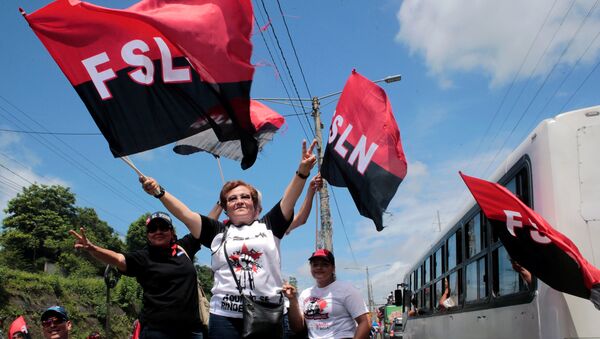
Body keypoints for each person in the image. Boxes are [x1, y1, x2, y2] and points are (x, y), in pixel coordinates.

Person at [140, 139, 318, 339]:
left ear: (254, 203)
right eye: (232, 199)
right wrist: (159, 192)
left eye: (245, 197)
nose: (239, 201)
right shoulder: (217, 231)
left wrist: (302, 171)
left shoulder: (270, 226)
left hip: (266, 314)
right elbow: (186, 214)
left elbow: (289, 198)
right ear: (225, 208)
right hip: (224, 317)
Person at [69, 211, 204, 339]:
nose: (158, 232)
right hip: (158, 331)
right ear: (148, 235)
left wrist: (220, 203)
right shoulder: (143, 257)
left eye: (163, 227)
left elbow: (203, 226)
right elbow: (118, 259)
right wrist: (93, 249)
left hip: (191, 331)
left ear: (171, 231)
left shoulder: (182, 248)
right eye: (152, 229)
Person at [283, 249, 371, 339]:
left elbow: (365, 322)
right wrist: (292, 299)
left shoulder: (347, 289)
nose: (319, 268)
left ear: (333, 268)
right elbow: (297, 328)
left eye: (324, 264)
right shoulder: (306, 293)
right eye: (315, 265)